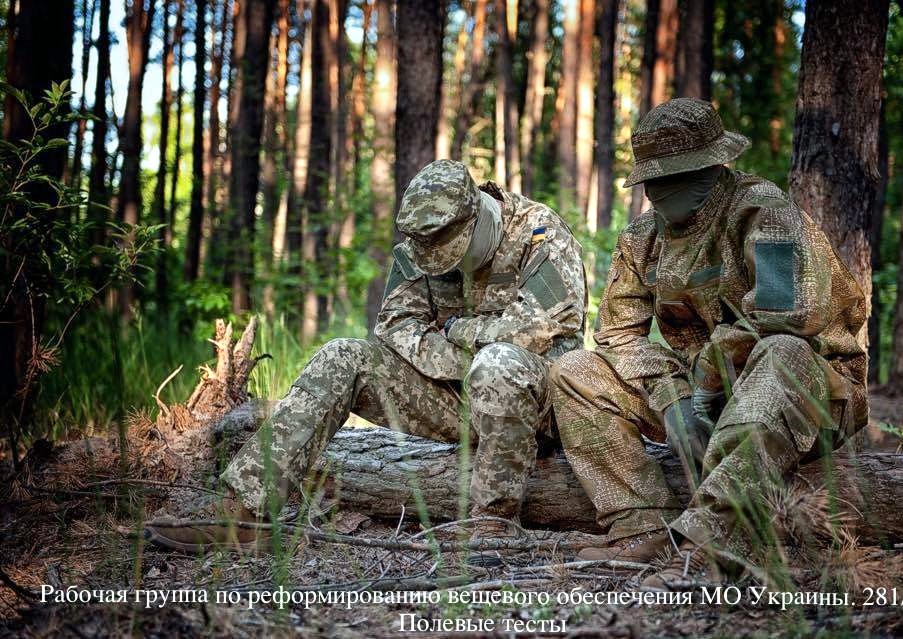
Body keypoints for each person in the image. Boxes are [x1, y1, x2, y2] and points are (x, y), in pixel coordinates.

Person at [147, 159, 586, 566]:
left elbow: (543, 327)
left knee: (498, 363)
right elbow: (396, 325)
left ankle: (493, 521)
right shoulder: (421, 248)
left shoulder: (538, 232)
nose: (444, 268)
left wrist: (459, 332)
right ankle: (244, 512)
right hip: (458, 399)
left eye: (453, 257)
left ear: (477, 215)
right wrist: (463, 354)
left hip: (538, 405)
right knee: (343, 354)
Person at [550, 98, 867, 588]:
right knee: (575, 370)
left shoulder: (765, 212)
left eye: (678, 174)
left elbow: (788, 319)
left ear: (714, 166)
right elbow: (616, 335)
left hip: (809, 390)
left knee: (781, 354)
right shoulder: (642, 237)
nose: (663, 191)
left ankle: (710, 542)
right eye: (656, 178)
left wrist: (707, 378)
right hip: (707, 399)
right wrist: (673, 399)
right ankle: (641, 525)